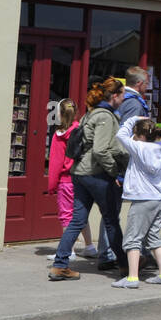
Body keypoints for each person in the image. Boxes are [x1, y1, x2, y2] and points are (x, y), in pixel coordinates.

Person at [48, 79, 128, 281]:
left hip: (79, 174)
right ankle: (126, 265)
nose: (124, 98)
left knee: (77, 220)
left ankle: (60, 265)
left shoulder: (89, 115)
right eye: (122, 94)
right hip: (96, 174)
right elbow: (101, 150)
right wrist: (114, 172)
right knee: (111, 220)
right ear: (115, 96)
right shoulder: (105, 117)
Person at [111, 115, 161, 288]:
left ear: (139, 135)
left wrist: (132, 119)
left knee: (132, 238)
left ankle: (132, 277)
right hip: (157, 199)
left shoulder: (138, 147)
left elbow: (120, 135)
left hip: (141, 199)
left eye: (135, 134)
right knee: (153, 237)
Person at [46, 99, 95, 260]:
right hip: (82, 178)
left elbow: (56, 162)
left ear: (59, 114)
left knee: (67, 216)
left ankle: (69, 250)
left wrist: (52, 185)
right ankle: (89, 246)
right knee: (81, 214)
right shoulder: (81, 130)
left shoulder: (59, 135)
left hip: (66, 181)